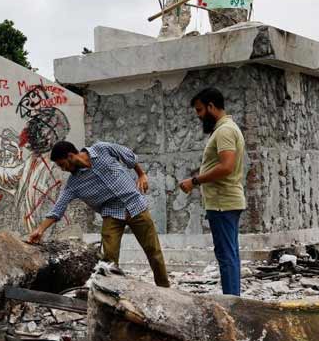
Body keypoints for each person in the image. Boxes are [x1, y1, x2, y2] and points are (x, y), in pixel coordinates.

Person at [27, 140, 170, 288]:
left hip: (136, 205)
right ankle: (112, 292)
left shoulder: (102, 149)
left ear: (70, 156)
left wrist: (141, 174)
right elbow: (58, 209)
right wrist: (40, 230)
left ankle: (165, 289)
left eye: (62, 164)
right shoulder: (73, 184)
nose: (63, 169)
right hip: (112, 214)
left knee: (153, 251)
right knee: (108, 261)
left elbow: (128, 156)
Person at [179, 87, 246, 296]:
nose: (199, 116)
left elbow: (226, 166)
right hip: (225, 201)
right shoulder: (226, 128)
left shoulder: (225, 131)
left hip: (223, 202)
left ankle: (232, 302)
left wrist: (195, 180)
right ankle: (233, 299)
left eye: (200, 110)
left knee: (226, 256)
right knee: (229, 254)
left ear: (211, 106)